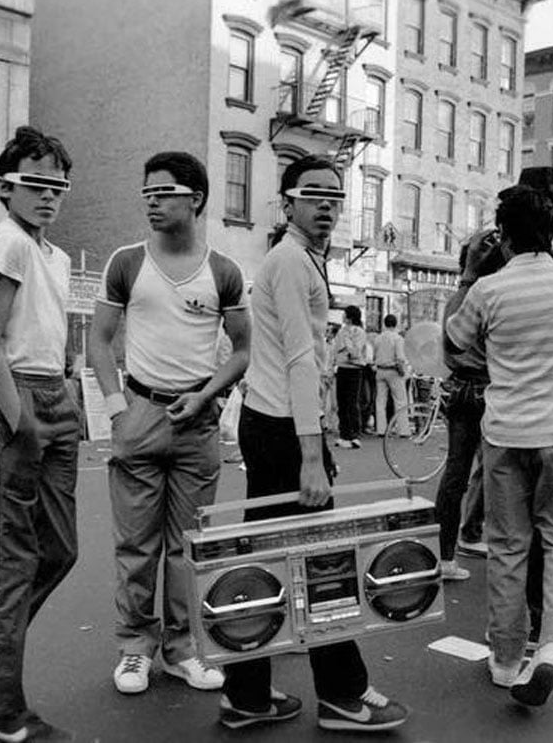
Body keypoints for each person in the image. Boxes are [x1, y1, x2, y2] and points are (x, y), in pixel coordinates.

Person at [220, 154, 408, 732]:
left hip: (275, 422)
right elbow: (302, 361)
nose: (327, 205)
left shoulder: (298, 260)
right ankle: (342, 695)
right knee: (323, 563)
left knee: (278, 557)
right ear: (288, 202)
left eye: (335, 196)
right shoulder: (292, 262)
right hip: (282, 430)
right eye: (314, 195)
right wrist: (311, 457)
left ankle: (247, 694)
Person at [90, 151, 249, 695]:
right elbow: (99, 341)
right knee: (136, 546)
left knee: (188, 547)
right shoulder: (126, 262)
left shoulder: (224, 271)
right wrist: (117, 408)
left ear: (195, 199)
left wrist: (208, 396)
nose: (152, 202)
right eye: (146, 194)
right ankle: (135, 648)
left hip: (197, 423)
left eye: (163, 192)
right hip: (140, 412)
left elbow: (242, 350)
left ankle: (182, 649)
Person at [0, 126, 80, 743]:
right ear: (4, 187)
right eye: (35, 184)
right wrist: (19, 418)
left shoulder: (52, 253)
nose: (48, 195)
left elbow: (46, 330)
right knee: (15, 558)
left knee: (59, 549)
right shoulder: (8, 242)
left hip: (53, 392)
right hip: (14, 399)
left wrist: (65, 399)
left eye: (58, 185)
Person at [446, 185, 553, 708]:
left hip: (506, 431)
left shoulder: (489, 291)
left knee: (508, 544)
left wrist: (473, 272)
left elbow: (452, 344)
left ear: (504, 238)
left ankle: (506, 657)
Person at [436, 229, 504, 580]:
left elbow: (448, 351)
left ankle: (446, 554)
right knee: (501, 474)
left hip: (461, 389)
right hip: (490, 389)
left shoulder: (459, 297)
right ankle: (485, 542)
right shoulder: (493, 296)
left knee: (457, 474)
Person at [332, 304, 367, 448]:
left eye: (345, 314)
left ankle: (354, 434)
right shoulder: (341, 331)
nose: (342, 316)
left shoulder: (359, 332)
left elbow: (356, 352)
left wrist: (347, 342)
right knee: (342, 402)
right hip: (342, 368)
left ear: (350, 317)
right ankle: (343, 434)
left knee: (352, 402)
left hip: (355, 369)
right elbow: (337, 350)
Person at [372, 313, 408, 436]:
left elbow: (374, 356)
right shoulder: (398, 339)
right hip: (393, 371)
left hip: (380, 370)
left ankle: (381, 429)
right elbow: (400, 358)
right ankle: (403, 430)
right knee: (400, 400)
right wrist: (402, 371)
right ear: (396, 324)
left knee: (380, 401)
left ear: (384, 323)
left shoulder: (378, 338)